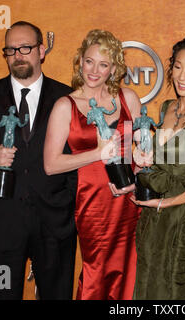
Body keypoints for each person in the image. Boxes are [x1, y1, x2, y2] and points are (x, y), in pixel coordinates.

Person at [0, 21, 77, 300]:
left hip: (55, 224)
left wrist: (67, 199)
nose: (18, 55)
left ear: (41, 50)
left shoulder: (68, 98)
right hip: (5, 225)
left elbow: (77, 155)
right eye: (10, 50)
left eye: (25, 47)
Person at [43, 29, 141, 300]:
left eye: (103, 64)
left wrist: (139, 176)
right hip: (93, 205)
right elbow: (51, 164)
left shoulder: (128, 99)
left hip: (129, 204)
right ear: (80, 61)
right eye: (89, 61)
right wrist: (97, 153)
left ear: (114, 68)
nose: (94, 70)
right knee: (96, 273)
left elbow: (142, 156)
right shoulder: (66, 106)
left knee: (130, 272)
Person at [131, 35, 185, 299]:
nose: (182, 76)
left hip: (182, 224)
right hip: (152, 223)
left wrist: (166, 204)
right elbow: (156, 163)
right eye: (178, 66)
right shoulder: (167, 108)